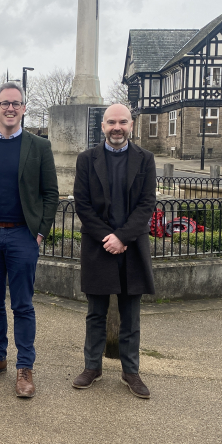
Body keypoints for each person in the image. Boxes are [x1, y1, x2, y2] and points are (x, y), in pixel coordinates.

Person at [0, 82, 59, 398]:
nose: (10, 108)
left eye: (16, 103)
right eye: (4, 103)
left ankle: (25, 368)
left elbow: (49, 194)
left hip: (22, 235)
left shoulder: (39, 147)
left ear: (24, 108)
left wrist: (40, 232)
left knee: (22, 304)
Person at [71, 104, 157, 398]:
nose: (116, 127)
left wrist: (122, 237)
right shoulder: (87, 159)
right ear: (103, 126)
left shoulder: (145, 159)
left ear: (131, 125)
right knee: (95, 312)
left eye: (122, 122)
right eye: (111, 122)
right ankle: (91, 367)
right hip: (98, 245)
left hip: (132, 247)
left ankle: (130, 371)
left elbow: (146, 204)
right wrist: (107, 236)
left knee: (130, 314)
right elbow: (82, 204)